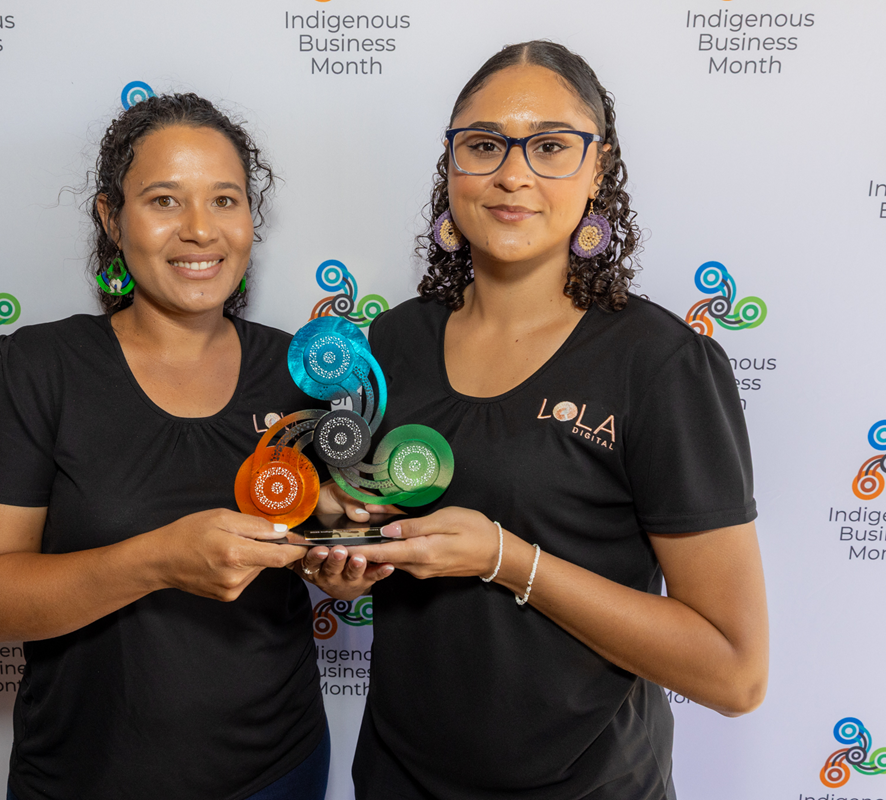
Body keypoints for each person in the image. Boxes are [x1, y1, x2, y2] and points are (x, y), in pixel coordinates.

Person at [313, 41, 769, 799]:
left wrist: (504, 557)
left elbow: (734, 672)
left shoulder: (660, 364)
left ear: (598, 169)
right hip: (398, 779)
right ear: (451, 166)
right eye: (484, 145)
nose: (512, 173)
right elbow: (364, 545)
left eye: (551, 146)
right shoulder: (389, 345)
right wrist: (342, 556)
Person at [0, 93, 332, 800]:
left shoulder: (301, 370)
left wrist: (344, 561)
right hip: (85, 778)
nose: (200, 231)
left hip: (279, 771)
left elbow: (319, 534)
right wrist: (156, 560)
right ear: (110, 218)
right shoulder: (39, 368)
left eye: (225, 200)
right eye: (163, 201)